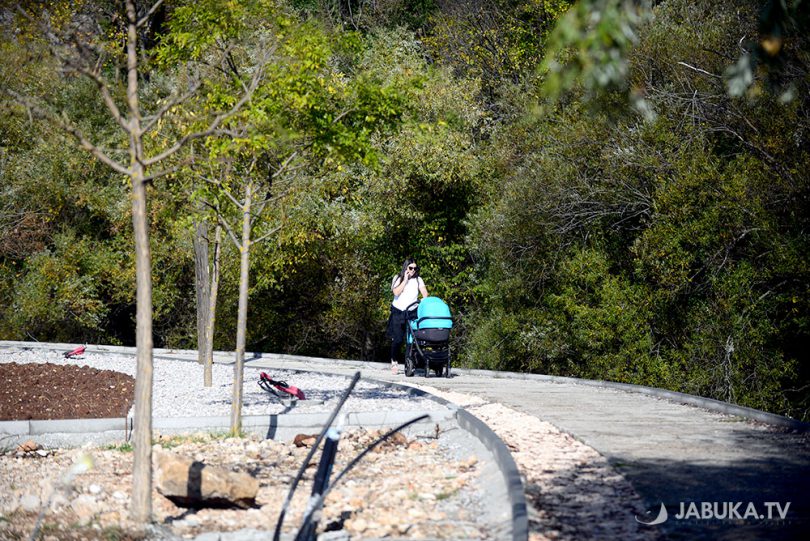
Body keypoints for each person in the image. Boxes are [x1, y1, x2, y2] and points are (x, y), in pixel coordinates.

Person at [387, 258, 428, 374]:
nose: (413, 270)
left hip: (412, 312)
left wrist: (424, 299)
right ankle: (394, 361)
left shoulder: (418, 280)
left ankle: (410, 362)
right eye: (411, 268)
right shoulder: (397, 278)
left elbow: (424, 292)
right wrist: (405, 279)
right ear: (406, 267)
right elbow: (396, 292)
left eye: (415, 268)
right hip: (398, 311)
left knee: (413, 339)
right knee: (398, 339)